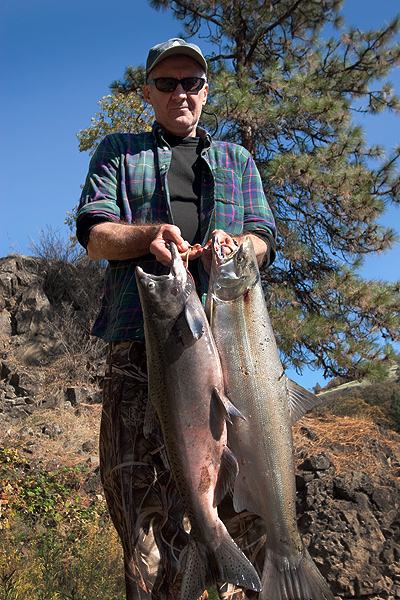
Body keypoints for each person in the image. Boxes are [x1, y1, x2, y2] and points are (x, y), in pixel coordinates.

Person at [76, 38, 277, 600]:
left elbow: (265, 240)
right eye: (167, 83)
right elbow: (95, 235)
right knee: (144, 525)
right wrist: (148, 235)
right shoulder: (118, 152)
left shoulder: (239, 161)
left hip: (233, 352)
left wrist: (239, 247)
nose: (180, 92)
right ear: (148, 92)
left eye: (191, 82)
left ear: (205, 92)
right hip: (140, 359)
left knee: (250, 512)